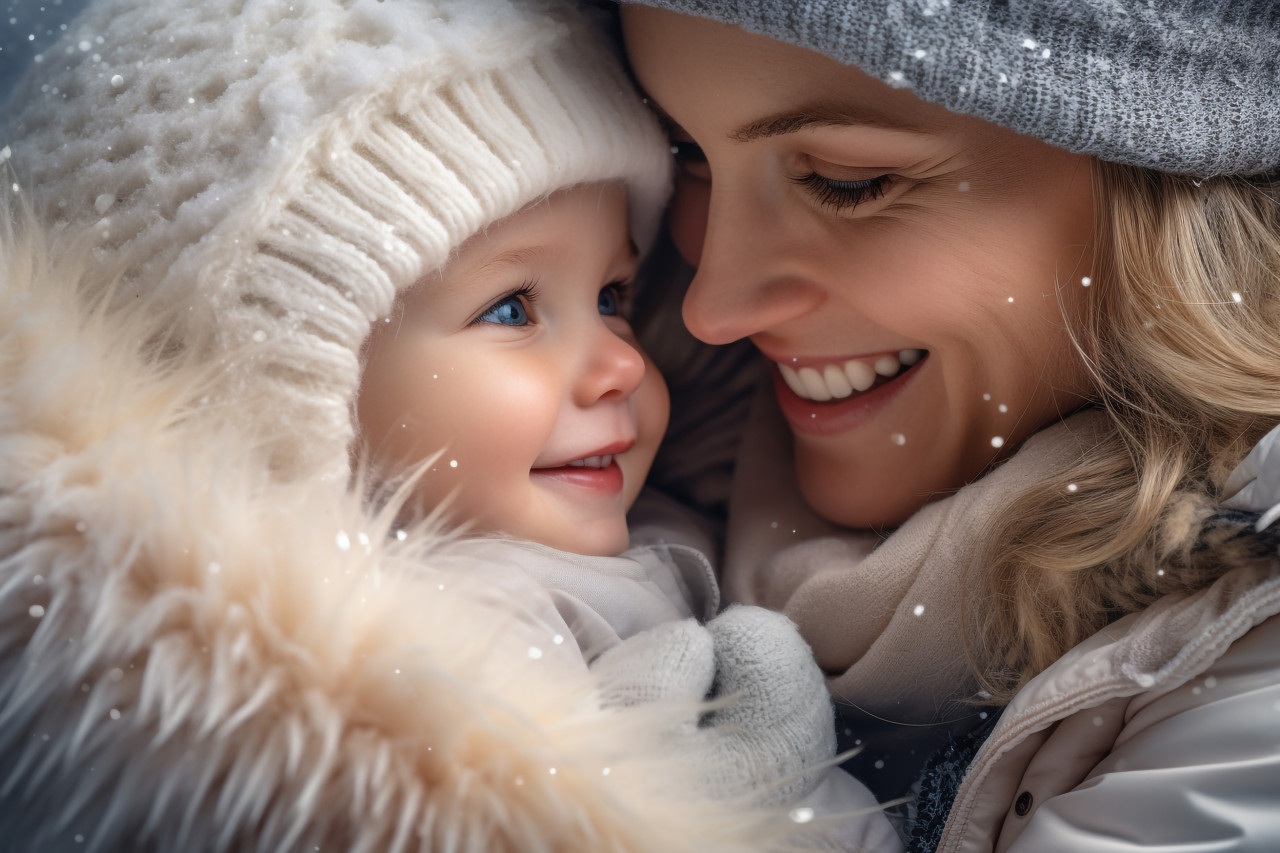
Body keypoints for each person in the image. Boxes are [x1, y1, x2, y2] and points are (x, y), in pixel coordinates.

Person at [0, 0, 897, 849]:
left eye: (613, 296)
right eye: (513, 310)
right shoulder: (444, 648)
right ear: (295, 390)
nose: (623, 362)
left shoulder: (665, 509)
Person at [613, 1, 1280, 850]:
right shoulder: (595, 453)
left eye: (846, 181)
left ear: (1163, 192)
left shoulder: (1253, 680)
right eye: (688, 155)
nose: (715, 305)